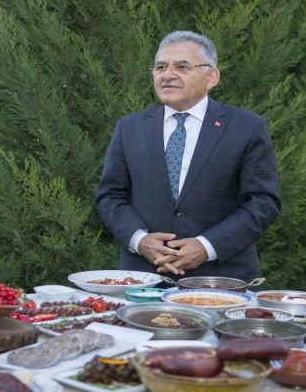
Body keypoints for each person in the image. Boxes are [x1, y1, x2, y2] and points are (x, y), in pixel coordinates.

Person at [95, 30, 280, 283]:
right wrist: (139, 240)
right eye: (161, 67)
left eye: (182, 67)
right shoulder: (129, 127)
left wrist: (207, 246)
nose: (168, 75)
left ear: (211, 77)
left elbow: (262, 202)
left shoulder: (246, 128)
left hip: (221, 282)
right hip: (143, 279)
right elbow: (109, 196)